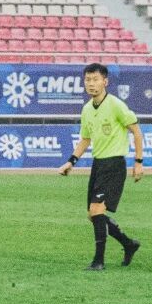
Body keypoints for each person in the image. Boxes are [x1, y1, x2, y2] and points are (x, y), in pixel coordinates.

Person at [58, 63, 144, 271]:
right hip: (98, 165)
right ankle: (128, 244)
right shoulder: (87, 109)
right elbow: (85, 139)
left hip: (114, 164)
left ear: (105, 81)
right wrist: (71, 161)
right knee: (93, 215)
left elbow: (136, 131)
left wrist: (138, 162)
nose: (91, 84)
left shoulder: (115, 105)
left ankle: (98, 262)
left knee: (97, 211)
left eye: (95, 79)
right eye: (88, 80)